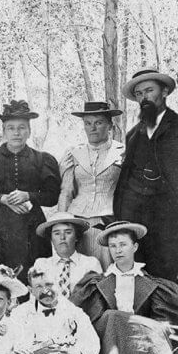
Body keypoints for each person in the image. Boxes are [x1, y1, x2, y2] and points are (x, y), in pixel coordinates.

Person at [72, 221, 178, 354]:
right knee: (113, 316)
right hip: (106, 344)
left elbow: (160, 324)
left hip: (139, 345)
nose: (118, 250)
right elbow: (83, 319)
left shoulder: (153, 284)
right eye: (113, 246)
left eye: (123, 245)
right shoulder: (96, 283)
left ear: (135, 247)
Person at [0, 100, 61, 273]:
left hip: (31, 230)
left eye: (22, 127)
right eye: (11, 128)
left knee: (33, 275)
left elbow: (52, 196)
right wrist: (2, 199)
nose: (16, 133)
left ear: (29, 131)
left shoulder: (42, 160)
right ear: (3, 131)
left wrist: (28, 195)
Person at [114, 69, 178, 280]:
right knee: (140, 275)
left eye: (149, 90)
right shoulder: (133, 134)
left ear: (165, 91)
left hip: (169, 219)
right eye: (139, 93)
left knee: (168, 273)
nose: (144, 97)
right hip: (137, 219)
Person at [58, 101, 125, 267]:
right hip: (79, 221)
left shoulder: (122, 151)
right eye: (88, 123)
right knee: (79, 270)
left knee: (108, 270)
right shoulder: (73, 153)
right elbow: (66, 191)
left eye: (98, 123)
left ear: (110, 125)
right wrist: (61, 222)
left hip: (110, 220)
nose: (92, 128)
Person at [31, 212, 103, 305]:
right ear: (51, 239)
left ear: (76, 236)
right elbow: (36, 300)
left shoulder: (90, 263)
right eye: (57, 233)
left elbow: (97, 302)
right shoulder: (42, 264)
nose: (62, 237)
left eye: (68, 232)